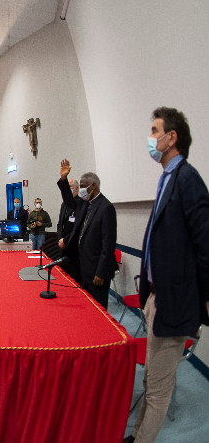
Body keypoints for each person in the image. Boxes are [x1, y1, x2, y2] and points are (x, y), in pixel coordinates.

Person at [124, 108, 209, 443]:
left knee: (159, 389)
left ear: (171, 138)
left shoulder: (187, 179)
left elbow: (205, 243)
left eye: (155, 130)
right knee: (150, 383)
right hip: (157, 300)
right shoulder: (167, 179)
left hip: (176, 303)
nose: (151, 137)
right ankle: (138, 436)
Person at [58, 160, 117, 310]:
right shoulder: (85, 204)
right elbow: (69, 200)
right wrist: (64, 180)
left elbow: (108, 245)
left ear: (94, 186)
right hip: (83, 267)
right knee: (87, 307)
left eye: (84, 186)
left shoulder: (106, 208)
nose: (81, 189)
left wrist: (100, 273)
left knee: (99, 309)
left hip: (97, 270)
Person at [56, 179, 81, 282]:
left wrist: (65, 240)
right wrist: (60, 239)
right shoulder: (64, 204)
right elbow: (60, 224)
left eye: (70, 186)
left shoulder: (80, 204)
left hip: (73, 248)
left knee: (74, 278)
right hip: (62, 247)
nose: (68, 189)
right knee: (63, 277)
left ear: (76, 188)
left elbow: (77, 227)